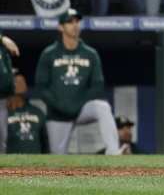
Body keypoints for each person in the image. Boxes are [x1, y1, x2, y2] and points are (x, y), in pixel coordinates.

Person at [34, 9, 120, 155]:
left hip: (81, 109)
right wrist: (60, 105)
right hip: (58, 113)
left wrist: (77, 104)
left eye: (76, 21)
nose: (74, 25)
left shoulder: (90, 54)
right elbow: (41, 87)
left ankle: (113, 153)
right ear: (60, 27)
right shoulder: (49, 54)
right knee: (57, 158)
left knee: (102, 107)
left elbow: (97, 85)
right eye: (69, 22)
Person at [6, 71, 49, 154]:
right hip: (10, 163)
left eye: (22, 82)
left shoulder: (37, 112)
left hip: (36, 163)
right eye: (15, 81)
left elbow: (45, 143)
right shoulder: (3, 113)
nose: (18, 84)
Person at [0, 32, 19, 152]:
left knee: (2, 139)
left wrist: (11, 92)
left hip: (2, 98)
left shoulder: (2, 47)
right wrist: (3, 38)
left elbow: (6, 74)